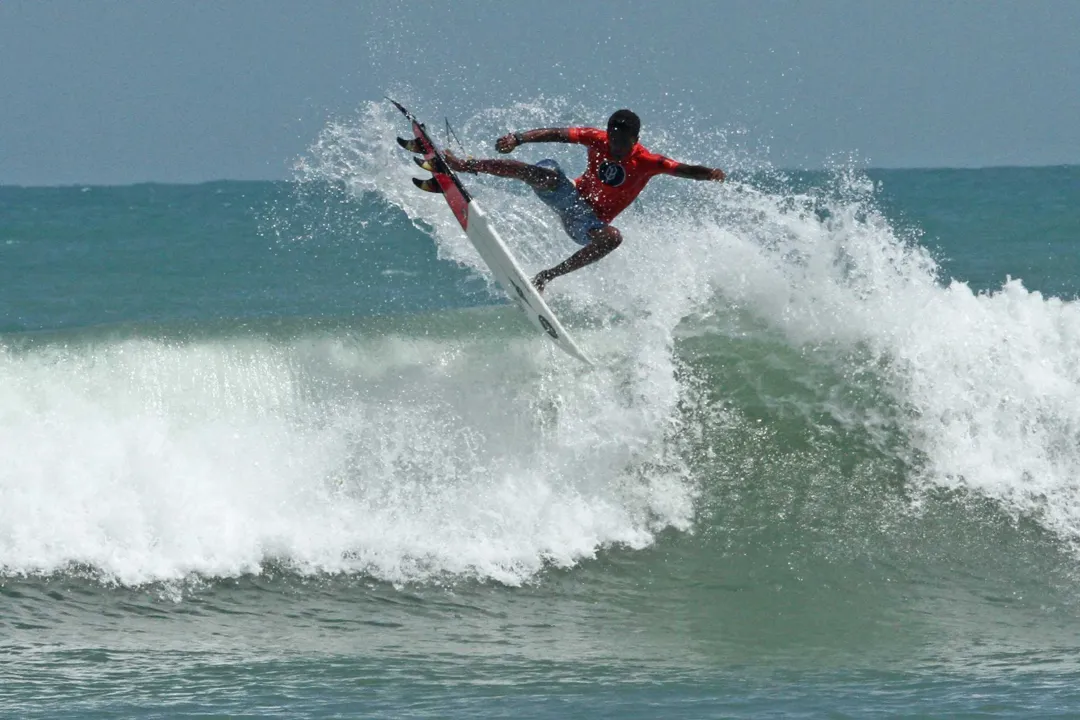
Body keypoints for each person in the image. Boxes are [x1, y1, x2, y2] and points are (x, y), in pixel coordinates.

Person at [443, 109, 725, 293]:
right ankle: (465, 166)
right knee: (538, 173)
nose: (614, 146)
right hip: (569, 197)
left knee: (613, 237)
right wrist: (518, 138)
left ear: (635, 139)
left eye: (621, 142)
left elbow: (683, 169)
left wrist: (709, 174)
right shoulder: (597, 139)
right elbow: (557, 133)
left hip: (587, 223)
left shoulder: (648, 161)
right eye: (612, 138)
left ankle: (547, 276)